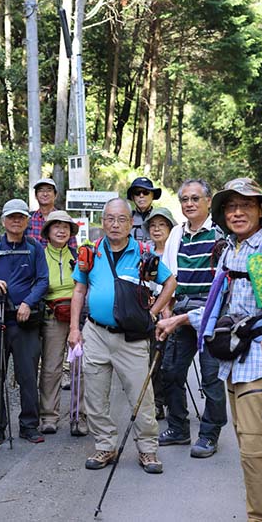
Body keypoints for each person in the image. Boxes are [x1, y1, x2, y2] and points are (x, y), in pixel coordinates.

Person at [157, 178, 262, 522]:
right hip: (236, 359)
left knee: (255, 447)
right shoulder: (230, 250)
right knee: (251, 445)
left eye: (246, 205)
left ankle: (261, 518)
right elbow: (218, 307)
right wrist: (179, 319)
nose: (237, 212)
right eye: (231, 207)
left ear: (261, 209)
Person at [68, 198, 176, 473]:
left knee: (141, 396)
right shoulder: (90, 252)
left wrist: (153, 313)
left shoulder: (143, 253)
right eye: (110, 219)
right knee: (95, 396)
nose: (115, 224)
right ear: (103, 222)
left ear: (130, 223)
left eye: (121, 219)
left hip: (132, 338)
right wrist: (74, 329)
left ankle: (148, 450)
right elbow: (79, 290)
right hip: (95, 333)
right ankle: (105, 446)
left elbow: (170, 282)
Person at [157, 179, 229, 458]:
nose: (189, 204)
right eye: (185, 199)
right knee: (171, 371)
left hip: (212, 311)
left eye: (195, 198)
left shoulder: (220, 233)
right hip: (180, 307)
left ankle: (209, 434)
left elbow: (225, 281)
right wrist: (165, 308)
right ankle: (178, 427)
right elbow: (169, 275)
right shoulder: (177, 233)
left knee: (211, 377)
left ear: (208, 201)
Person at [0, 198, 49, 444]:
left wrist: (28, 302)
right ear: (3, 220)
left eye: (21, 217)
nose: (16, 221)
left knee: (28, 375)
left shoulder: (35, 247)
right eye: (11, 217)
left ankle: (29, 425)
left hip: (25, 322)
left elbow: (43, 280)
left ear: (27, 220)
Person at [36, 210, 86, 435]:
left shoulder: (78, 255)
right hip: (52, 316)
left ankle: (79, 416)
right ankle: (48, 416)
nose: (61, 230)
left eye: (65, 227)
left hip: (78, 316)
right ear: (47, 231)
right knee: (51, 368)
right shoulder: (39, 256)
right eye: (56, 226)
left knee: (80, 368)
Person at [143, 207, 177, 421]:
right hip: (149, 310)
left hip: (173, 311)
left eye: (162, 225)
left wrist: (169, 306)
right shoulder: (145, 252)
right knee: (152, 358)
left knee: (170, 362)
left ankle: (173, 403)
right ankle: (156, 402)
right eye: (153, 226)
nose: (157, 229)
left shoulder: (177, 251)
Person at [24, 177, 78, 250]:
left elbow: (73, 248)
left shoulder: (64, 219)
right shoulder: (28, 220)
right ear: (36, 196)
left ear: (55, 195)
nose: (45, 194)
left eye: (49, 190)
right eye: (41, 190)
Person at [126, 176, 163, 242]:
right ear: (132, 197)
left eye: (146, 192)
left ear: (153, 195)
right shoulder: (125, 219)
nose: (141, 195)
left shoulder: (163, 217)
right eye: (137, 193)